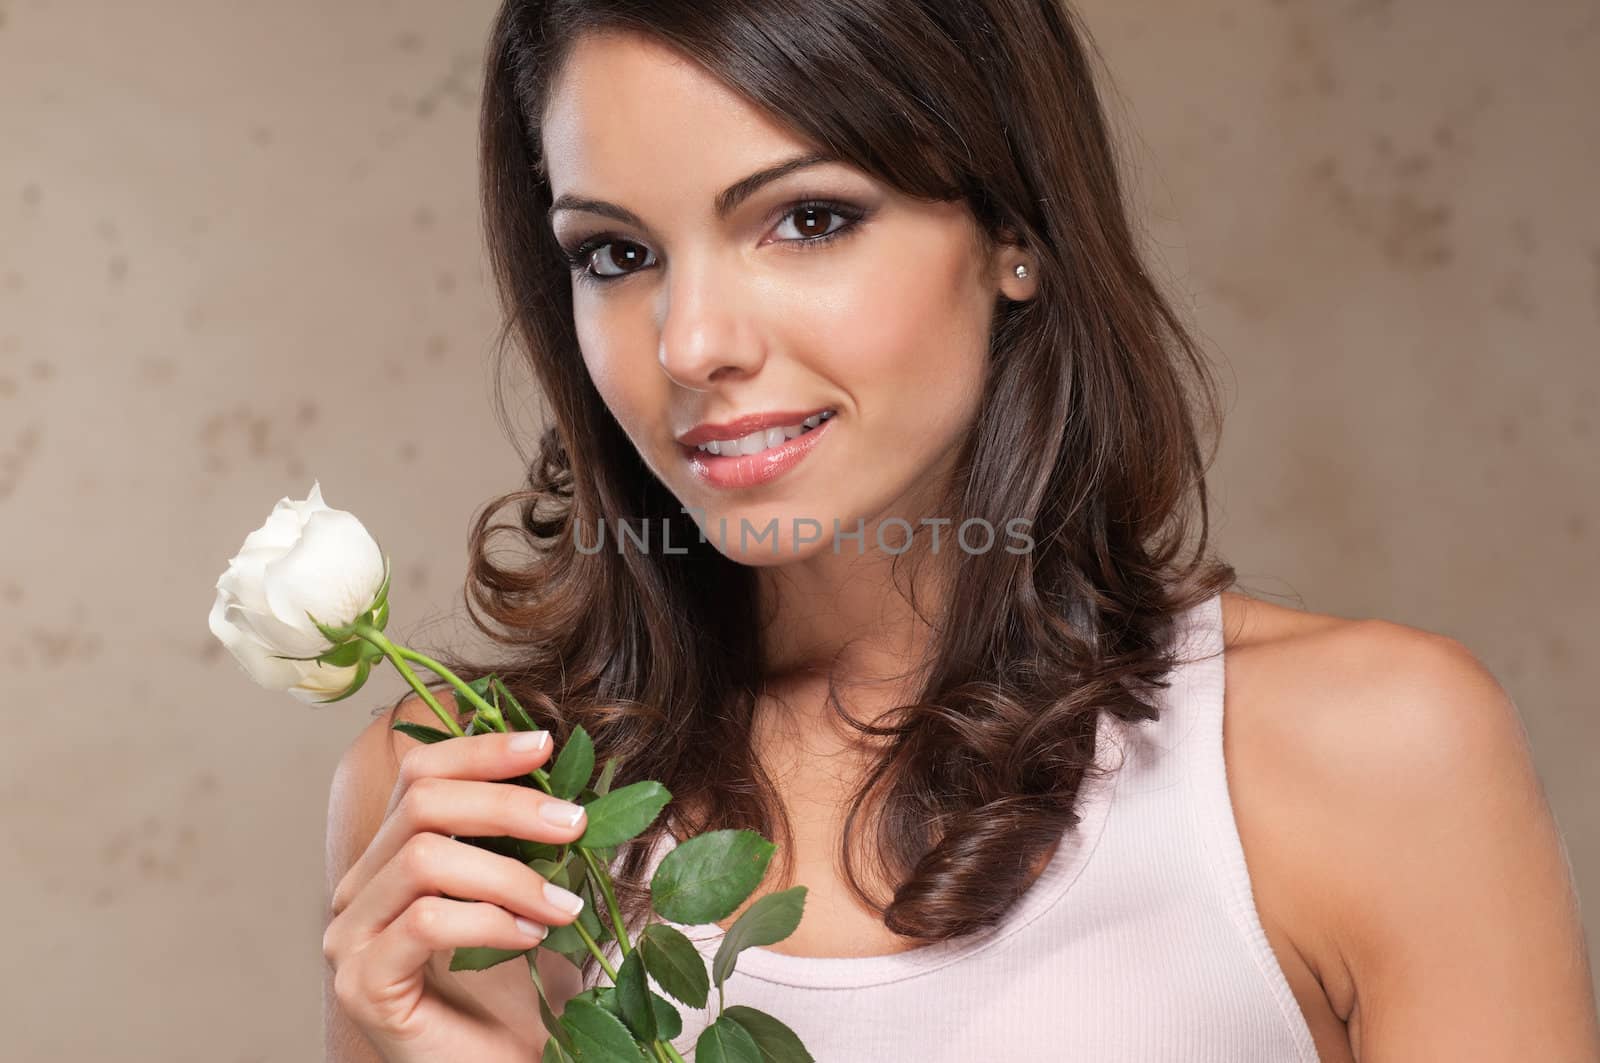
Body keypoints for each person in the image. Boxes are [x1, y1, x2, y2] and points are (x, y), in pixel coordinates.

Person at [320, 1, 1600, 1060]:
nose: (693, 343)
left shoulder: (1370, 751)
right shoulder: (471, 805)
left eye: (806, 219)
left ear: (1012, 235)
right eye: (613, 254)